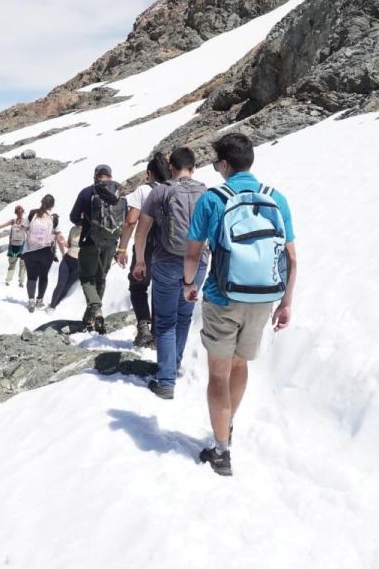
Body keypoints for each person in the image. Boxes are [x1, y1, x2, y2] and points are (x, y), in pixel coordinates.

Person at [183, 133, 297, 477]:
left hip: (223, 296)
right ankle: (227, 425)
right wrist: (285, 302)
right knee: (240, 364)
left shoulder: (213, 198)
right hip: (263, 298)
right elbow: (291, 257)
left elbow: (192, 252)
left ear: (224, 164)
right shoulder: (274, 198)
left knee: (218, 372)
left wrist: (190, 285)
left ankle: (221, 450)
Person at [133, 147, 207, 400]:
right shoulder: (205, 192)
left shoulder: (160, 191)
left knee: (165, 321)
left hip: (166, 261)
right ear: (194, 167)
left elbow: (141, 232)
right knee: (184, 316)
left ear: (171, 168)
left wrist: (140, 261)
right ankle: (172, 365)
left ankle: (165, 381)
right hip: (198, 262)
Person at [116, 153, 172, 348]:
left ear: (149, 173)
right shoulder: (174, 190)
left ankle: (143, 328)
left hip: (146, 244)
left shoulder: (143, 190)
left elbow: (131, 221)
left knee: (138, 286)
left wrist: (122, 248)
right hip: (169, 247)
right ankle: (158, 334)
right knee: (160, 287)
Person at [70, 164, 127, 333]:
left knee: (87, 278)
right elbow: (124, 218)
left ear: (95, 175)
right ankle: (91, 317)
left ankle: (96, 310)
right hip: (111, 242)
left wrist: (84, 222)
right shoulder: (119, 192)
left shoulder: (87, 192)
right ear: (110, 175)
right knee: (101, 278)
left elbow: (73, 217)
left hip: (90, 241)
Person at [20, 194, 59, 312]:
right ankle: (39, 301)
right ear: (52, 206)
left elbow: (23, 228)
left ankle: (31, 301)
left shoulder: (32, 214)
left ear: (41, 202)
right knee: (43, 276)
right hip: (47, 252)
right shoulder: (54, 218)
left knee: (31, 277)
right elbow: (58, 235)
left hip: (30, 251)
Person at [48, 224, 82, 311]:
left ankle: (56, 303)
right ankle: (52, 306)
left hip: (79, 264)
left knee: (67, 286)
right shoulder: (74, 229)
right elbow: (70, 245)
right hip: (67, 259)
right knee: (61, 284)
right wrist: (63, 242)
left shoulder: (91, 231)